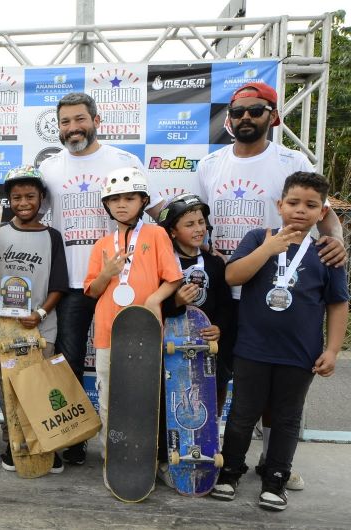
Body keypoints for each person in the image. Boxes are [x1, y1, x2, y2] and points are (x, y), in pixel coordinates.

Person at [195, 81, 347, 490]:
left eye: (256, 110)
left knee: (275, 391)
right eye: (239, 110)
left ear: (272, 116)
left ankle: (273, 461)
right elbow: (195, 224)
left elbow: (326, 216)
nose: (246, 117)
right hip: (227, 290)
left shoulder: (290, 159)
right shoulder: (209, 164)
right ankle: (223, 455)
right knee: (224, 381)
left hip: (278, 291)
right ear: (229, 118)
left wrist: (338, 245)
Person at [211, 172, 348, 511]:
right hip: (252, 349)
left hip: (300, 354)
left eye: (311, 205)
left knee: (287, 418)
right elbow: (232, 276)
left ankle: (276, 479)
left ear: (322, 212)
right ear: (279, 204)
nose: (300, 210)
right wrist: (268, 249)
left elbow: (337, 303)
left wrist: (331, 350)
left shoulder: (326, 251)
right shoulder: (259, 237)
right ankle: (230, 472)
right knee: (242, 415)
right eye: (293, 202)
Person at [39, 92, 164, 466]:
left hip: (125, 283)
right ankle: (75, 441)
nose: (73, 128)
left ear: (96, 120)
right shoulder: (49, 169)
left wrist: (192, 241)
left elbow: (155, 210)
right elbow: (27, 212)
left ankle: (137, 446)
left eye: (80, 119)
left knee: (130, 366)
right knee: (71, 364)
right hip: (75, 284)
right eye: (65, 122)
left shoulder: (124, 161)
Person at [0, 165, 68, 473]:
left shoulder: (52, 236)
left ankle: (47, 444)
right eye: (17, 197)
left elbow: (59, 284)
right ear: (8, 200)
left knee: (38, 387)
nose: (24, 203)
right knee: (8, 387)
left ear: (41, 199)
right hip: (3, 329)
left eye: (31, 196)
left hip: (40, 325)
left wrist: (40, 313)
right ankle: (14, 443)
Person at [83, 168, 182, 474]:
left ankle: (142, 455)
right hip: (107, 331)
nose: (121, 204)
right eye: (114, 200)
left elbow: (174, 278)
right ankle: (112, 455)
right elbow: (92, 291)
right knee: (110, 397)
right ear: (106, 205)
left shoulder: (156, 234)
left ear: (143, 201)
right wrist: (106, 274)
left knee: (143, 396)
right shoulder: (102, 244)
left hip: (145, 331)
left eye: (129, 198)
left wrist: (154, 299)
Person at [155, 193, 233, 486]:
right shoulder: (162, 264)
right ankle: (165, 457)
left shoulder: (214, 263)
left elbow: (226, 305)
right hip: (170, 348)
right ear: (173, 231)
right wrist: (174, 300)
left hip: (206, 348)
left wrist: (220, 328)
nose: (199, 228)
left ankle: (207, 450)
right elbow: (154, 305)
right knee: (169, 400)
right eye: (190, 224)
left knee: (207, 400)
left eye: (201, 222)